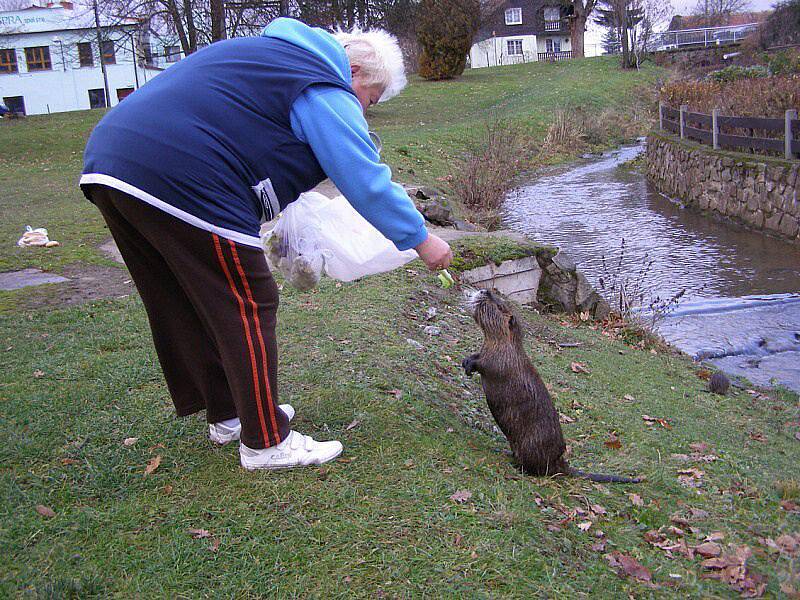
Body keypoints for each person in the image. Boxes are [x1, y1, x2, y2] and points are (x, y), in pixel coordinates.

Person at [80, 18, 452, 470]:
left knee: (185, 296)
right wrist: (422, 240)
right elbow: (364, 177)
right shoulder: (321, 79)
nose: (363, 112)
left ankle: (230, 415)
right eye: (368, 100)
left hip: (111, 162)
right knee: (248, 301)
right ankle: (266, 442)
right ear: (355, 72)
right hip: (180, 171)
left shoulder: (271, 55)